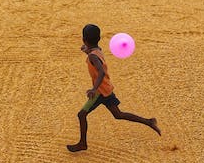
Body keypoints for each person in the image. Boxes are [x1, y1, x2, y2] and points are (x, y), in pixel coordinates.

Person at [67, 24, 160, 152]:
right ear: (98, 38)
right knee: (118, 114)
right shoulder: (97, 50)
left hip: (100, 92)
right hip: (107, 89)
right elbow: (95, 56)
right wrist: (87, 50)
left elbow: (101, 72)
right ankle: (149, 122)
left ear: (84, 39)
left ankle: (83, 143)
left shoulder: (92, 56)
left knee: (81, 114)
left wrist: (94, 89)